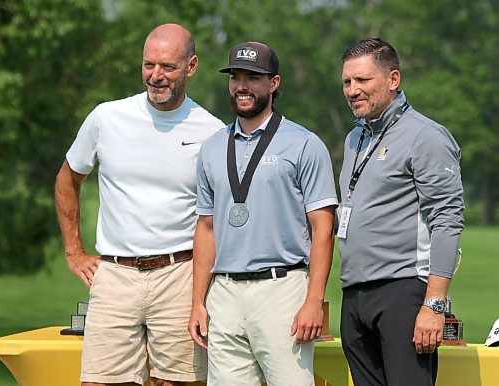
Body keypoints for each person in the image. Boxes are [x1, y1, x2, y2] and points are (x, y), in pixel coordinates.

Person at [54, 23, 225, 386]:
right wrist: (74, 251)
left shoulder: (211, 131)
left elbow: (218, 217)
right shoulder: (107, 117)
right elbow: (68, 179)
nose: (156, 76)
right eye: (149, 65)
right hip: (114, 274)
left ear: (191, 66)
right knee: (98, 382)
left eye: (168, 67)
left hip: (180, 275)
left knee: (176, 383)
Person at [188, 41, 338, 386]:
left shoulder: (304, 144)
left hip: (282, 289)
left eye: (253, 78)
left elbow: (323, 229)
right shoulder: (212, 148)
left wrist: (314, 300)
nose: (242, 86)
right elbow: (206, 228)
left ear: (274, 83)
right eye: (236, 77)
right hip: (224, 292)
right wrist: (198, 301)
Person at [337, 37, 464, 386]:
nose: (352, 90)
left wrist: (434, 304)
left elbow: (447, 220)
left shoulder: (426, 136)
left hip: (403, 293)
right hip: (354, 293)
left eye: (363, 81)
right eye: (347, 82)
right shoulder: (355, 138)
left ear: (393, 80)